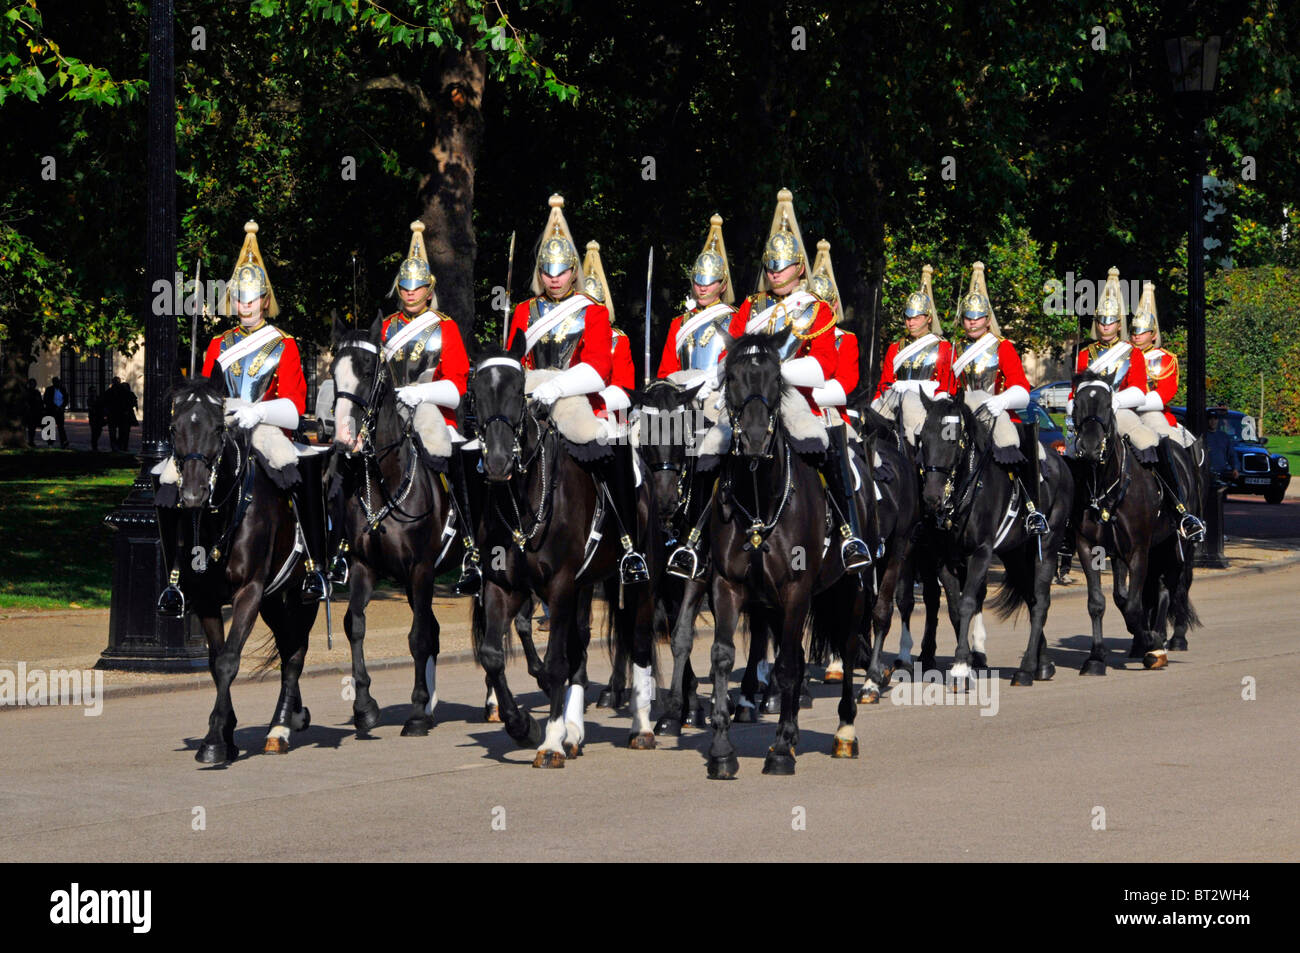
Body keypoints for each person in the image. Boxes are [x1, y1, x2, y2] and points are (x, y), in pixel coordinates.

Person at [157, 220, 324, 617]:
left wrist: (258, 411)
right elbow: (204, 393)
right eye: (239, 299)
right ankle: (175, 579)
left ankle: (315, 564)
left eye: (253, 299)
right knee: (165, 478)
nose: (246, 305)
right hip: (220, 427)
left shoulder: (283, 344)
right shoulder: (218, 343)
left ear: (265, 301)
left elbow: (294, 406)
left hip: (265, 426)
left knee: (296, 468)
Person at [725, 188, 871, 572]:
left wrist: (772, 375)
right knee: (704, 444)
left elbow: (823, 366)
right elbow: (729, 354)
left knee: (825, 442)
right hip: (748, 400)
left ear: (799, 269)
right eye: (771, 266)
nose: (775, 272)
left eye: (783, 266)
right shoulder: (749, 307)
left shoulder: (815, 309)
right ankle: (690, 537)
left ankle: (848, 531)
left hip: (795, 400)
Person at [505, 194, 648, 584]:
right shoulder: (522, 311)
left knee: (615, 450)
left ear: (573, 272)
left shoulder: (592, 311)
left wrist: (557, 388)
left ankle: (629, 546)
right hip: (532, 405)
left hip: (577, 404)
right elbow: (513, 362)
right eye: (547, 271)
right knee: (493, 453)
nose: (554, 278)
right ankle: (485, 545)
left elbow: (600, 369)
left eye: (562, 271)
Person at [371, 220, 476, 593]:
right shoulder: (385, 328)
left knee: (454, 457)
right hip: (388, 412)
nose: (410, 293)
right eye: (405, 286)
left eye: (417, 287)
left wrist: (420, 394)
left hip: (431, 411)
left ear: (430, 291)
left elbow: (457, 386)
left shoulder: (444, 327)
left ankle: (469, 546)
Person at [657, 214, 739, 579]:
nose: (703, 288)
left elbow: (735, 366)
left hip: (717, 398)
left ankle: (715, 517)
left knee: (716, 446)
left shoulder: (734, 319)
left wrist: (713, 386)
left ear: (722, 285)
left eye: (710, 283)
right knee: (652, 439)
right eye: (698, 282)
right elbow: (664, 370)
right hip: (681, 398)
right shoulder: (679, 324)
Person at [950, 261, 1047, 535]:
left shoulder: (1002, 347)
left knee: (1010, 446)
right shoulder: (955, 348)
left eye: (977, 317)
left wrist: (1001, 401)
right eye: (968, 316)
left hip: (996, 413)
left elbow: (1022, 390)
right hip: (963, 415)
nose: (972, 321)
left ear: (987, 319)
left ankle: (1031, 509)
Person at [1131, 281, 1206, 540]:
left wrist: (1136, 400)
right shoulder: (1121, 354)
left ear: (1153, 333)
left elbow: (1165, 392)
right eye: (1133, 331)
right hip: (1123, 412)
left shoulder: (1164, 358)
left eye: (1142, 332)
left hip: (1152, 412)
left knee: (1168, 444)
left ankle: (1181, 508)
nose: (1136, 336)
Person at [873, 264, 957, 438]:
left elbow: (948, 388)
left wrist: (912, 387)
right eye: (908, 318)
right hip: (895, 405)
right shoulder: (895, 348)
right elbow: (885, 383)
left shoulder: (943, 347)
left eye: (917, 318)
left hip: (930, 407)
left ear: (928, 318)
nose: (911, 323)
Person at [43, 376, 69, 448]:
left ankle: (63, 442)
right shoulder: (49, 389)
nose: (57, 383)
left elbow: (66, 399)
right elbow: (46, 400)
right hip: (51, 411)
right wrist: (55, 407)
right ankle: (50, 443)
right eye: (55, 382)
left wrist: (62, 407)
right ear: (53, 382)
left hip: (60, 411)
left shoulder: (63, 389)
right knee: (51, 427)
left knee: (61, 427)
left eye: (58, 381)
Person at [24, 378, 43, 446]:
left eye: (33, 384)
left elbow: (40, 402)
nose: (33, 385)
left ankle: (31, 441)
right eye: (31, 384)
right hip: (28, 413)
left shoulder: (37, 392)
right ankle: (29, 441)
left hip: (35, 413)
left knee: (32, 428)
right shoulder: (26, 392)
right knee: (29, 428)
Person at [88, 387, 105, 451]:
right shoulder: (89, 399)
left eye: (95, 391)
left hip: (99, 417)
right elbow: (91, 407)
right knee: (94, 432)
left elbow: (101, 405)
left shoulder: (98, 398)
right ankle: (94, 446)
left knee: (99, 431)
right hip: (93, 418)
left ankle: (94, 445)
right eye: (92, 391)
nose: (94, 392)